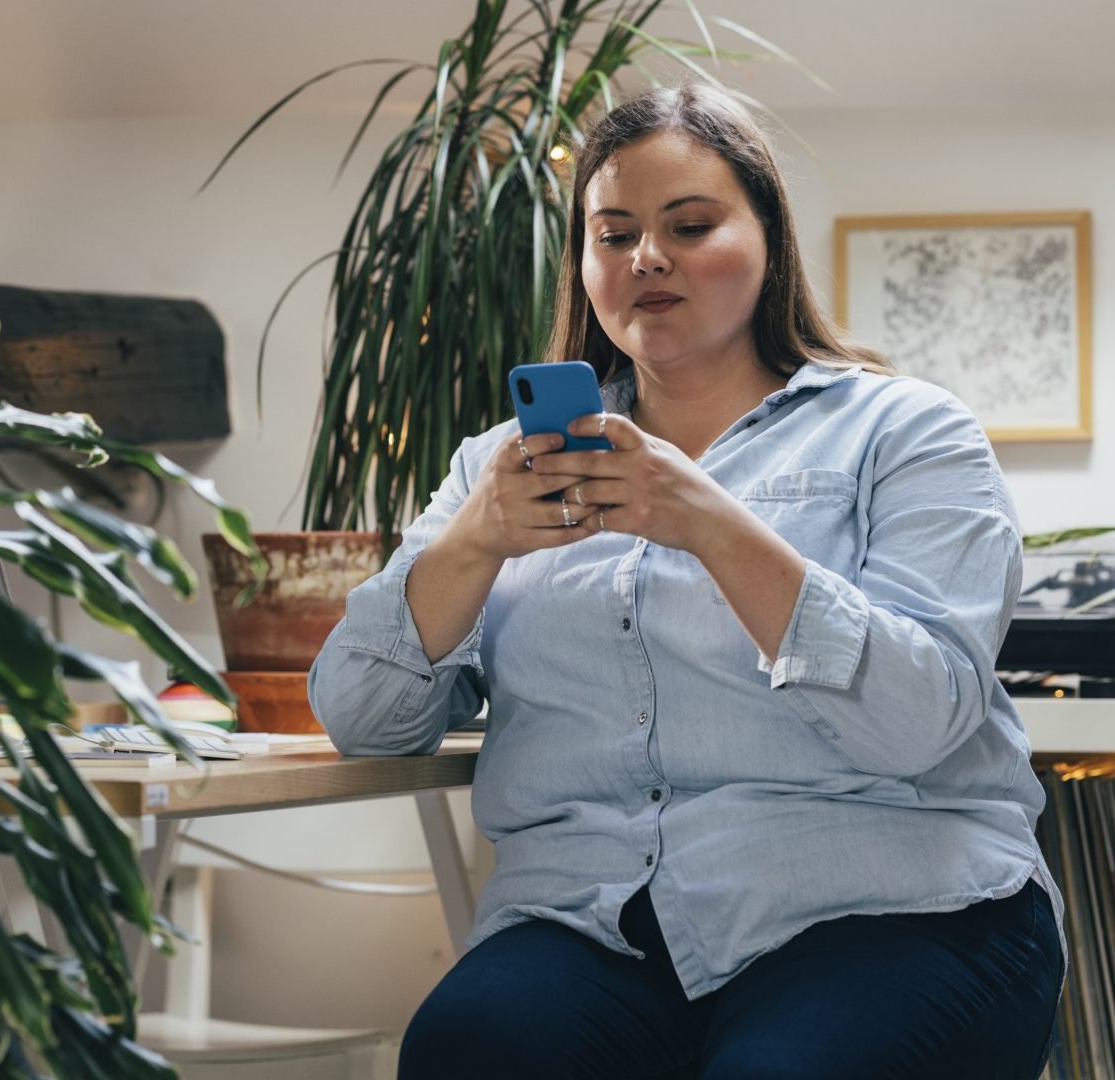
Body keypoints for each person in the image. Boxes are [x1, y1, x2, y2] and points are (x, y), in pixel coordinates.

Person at [308, 84, 1063, 1079]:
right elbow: (362, 718)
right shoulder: (499, 468)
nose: (646, 258)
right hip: (593, 921)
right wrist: (472, 542)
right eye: (613, 235)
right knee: (463, 1051)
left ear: (767, 239)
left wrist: (704, 519)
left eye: (690, 225)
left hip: (889, 904)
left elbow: (921, 718)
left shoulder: (908, 431)